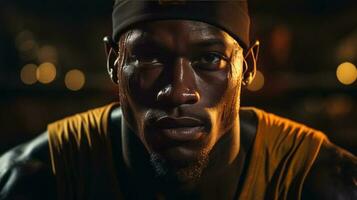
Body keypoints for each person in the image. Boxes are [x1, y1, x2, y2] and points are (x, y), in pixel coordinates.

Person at [0, 1, 356, 199]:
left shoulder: (319, 182)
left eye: (210, 59)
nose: (178, 90)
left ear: (247, 66)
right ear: (113, 63)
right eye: (150, 57)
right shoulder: (36, 178)